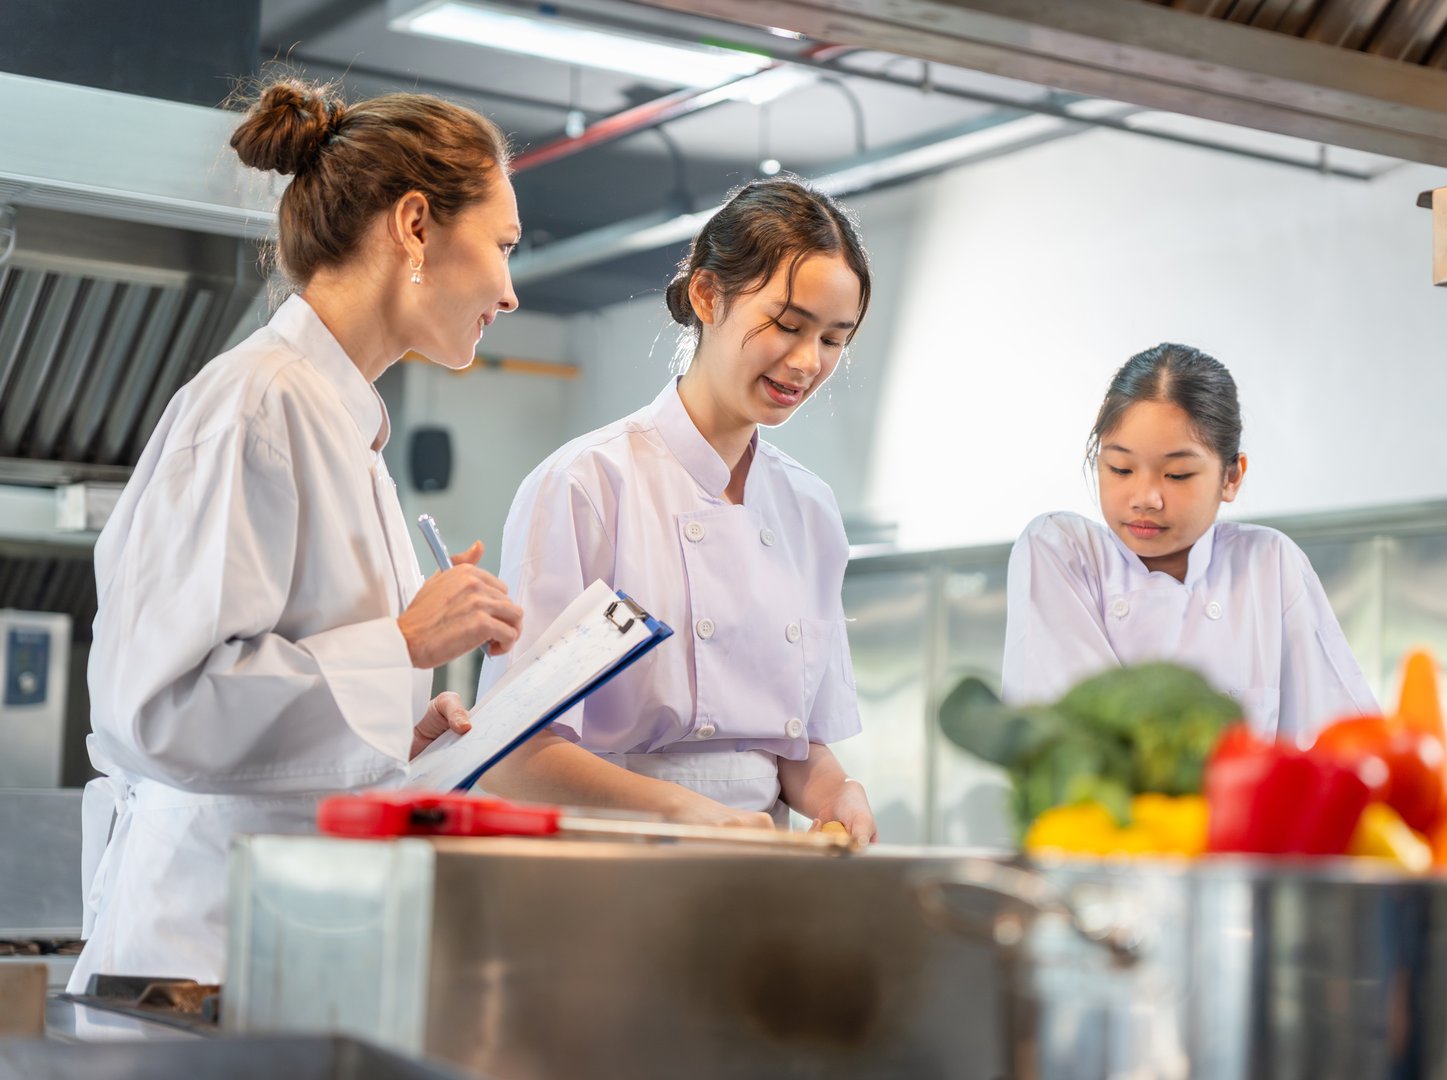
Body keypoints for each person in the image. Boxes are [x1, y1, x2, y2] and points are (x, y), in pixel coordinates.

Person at [70, 77, 526, 990]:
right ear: (414, 225)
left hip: (274, 935)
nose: (510, 292)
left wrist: (406, 732)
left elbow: (289, 702)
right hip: (198, 950)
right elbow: (160, 707)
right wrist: (405, 642)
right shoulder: (258, 402)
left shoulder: (336, 420)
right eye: (503, 245)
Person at [477, 177, 877, 843]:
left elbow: (791, 748)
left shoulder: (809, 509)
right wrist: (678, 808)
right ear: (707, 295)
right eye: (787, 325)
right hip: (611, 863)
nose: (808, 362)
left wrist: (840, 793)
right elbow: (512, 752)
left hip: (756, 859)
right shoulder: (588, 484)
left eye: (835, 338)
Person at [1003, 342, 1378, 741]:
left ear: (1231, 477)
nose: (1145, 497)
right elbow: (1073, 739)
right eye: (1121, 468)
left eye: (1177, 474)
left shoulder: (1269, 563)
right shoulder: (1061, 551)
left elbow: (1337, 739)